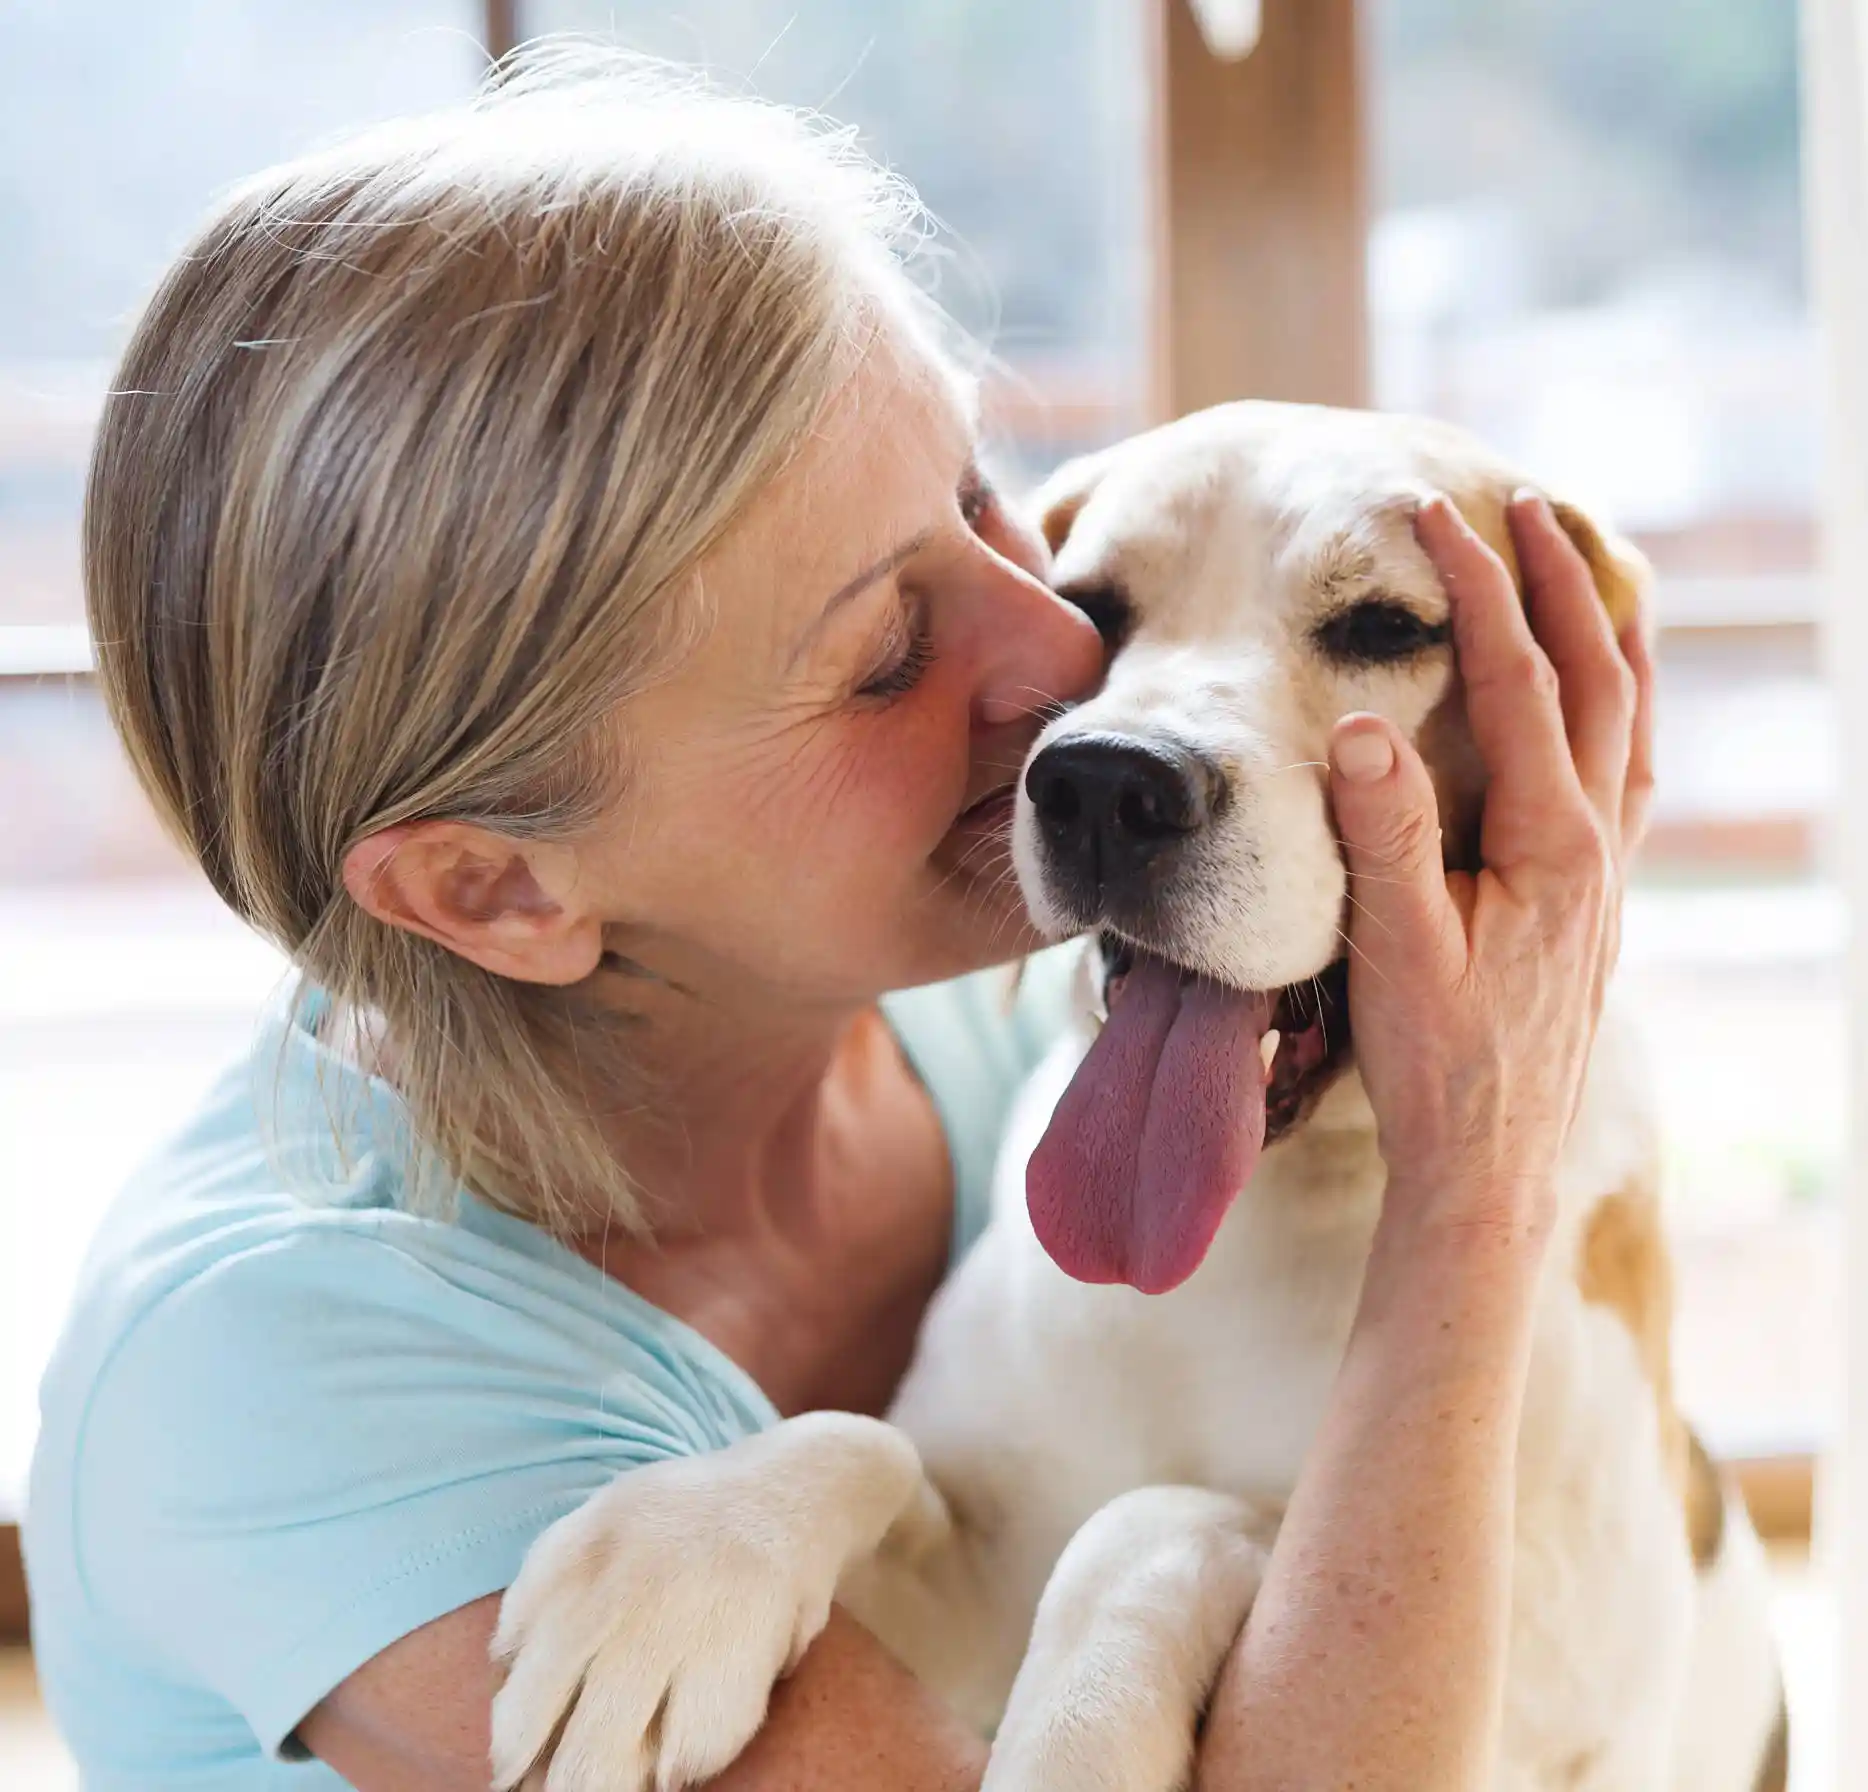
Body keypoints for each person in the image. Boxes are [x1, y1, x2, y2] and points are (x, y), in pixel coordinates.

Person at [25, 46, 1652, 1792]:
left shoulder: (999, 1017)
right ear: (497, 883)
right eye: (881, 652)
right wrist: (1478, 1182)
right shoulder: (288, 1393)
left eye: (980, 505)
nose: (1062, 665)